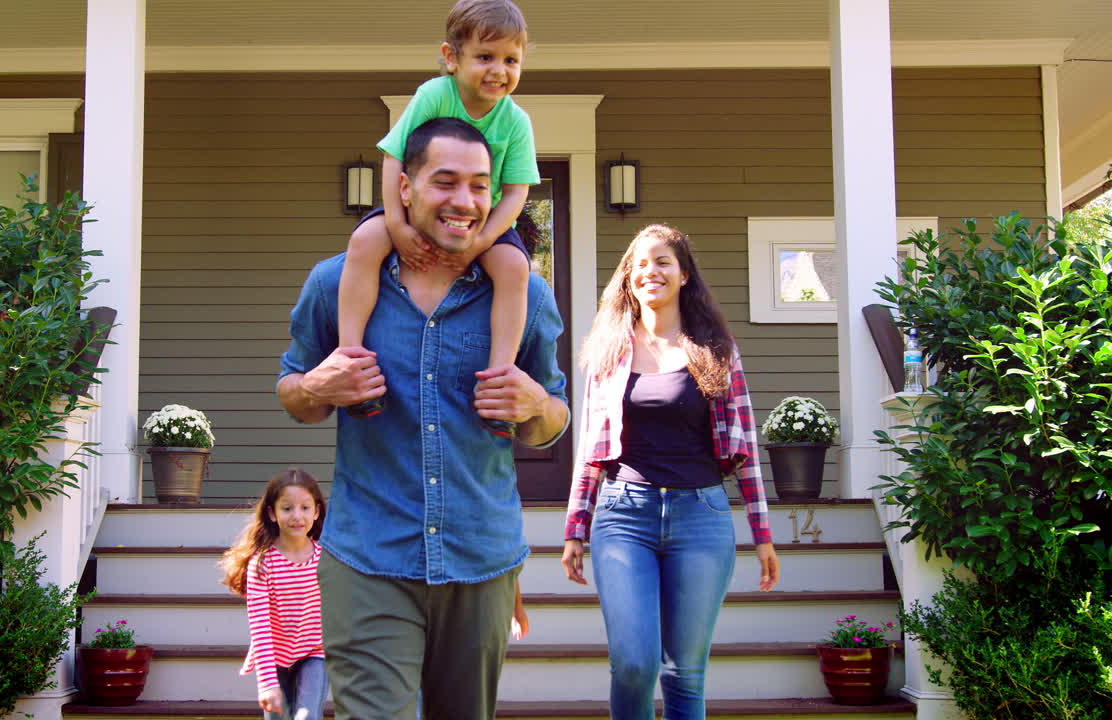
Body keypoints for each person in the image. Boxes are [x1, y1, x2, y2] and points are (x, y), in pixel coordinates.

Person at [277, 116, 568, 720]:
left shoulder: (525, 296)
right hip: (369, 556)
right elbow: (293, 391)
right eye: (445, 181)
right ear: (404, 186)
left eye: (480, 185)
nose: (465, 201)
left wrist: (536, 406)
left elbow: (555, 418)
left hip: (479, 556)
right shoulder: (338, 283)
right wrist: (317, 384)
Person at [559, 224, 781, 720]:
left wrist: (761, 534)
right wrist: (577, 526)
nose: (650, 272)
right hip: (623, 516)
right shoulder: (608, 352)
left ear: (684, 274)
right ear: (628, 279)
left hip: (700, 516)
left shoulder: (716, 351)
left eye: (662, 261)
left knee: (685, 674)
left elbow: (745, 447)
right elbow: (590, 448)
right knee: (634, 664)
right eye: (639, 264)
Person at [336, 0, 538, 440]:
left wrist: (483, 241)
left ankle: (499, 380)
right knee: (364, 243)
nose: (498, 70)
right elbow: (393, 158)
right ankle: (350, 358)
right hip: (414, 212)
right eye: (485, 57)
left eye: (511, 60)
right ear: (452, 58)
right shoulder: (434, 95)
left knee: (515, 267)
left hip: (481, 225)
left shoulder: (516, 121)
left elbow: (517, 192)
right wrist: (397, 224)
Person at [221, 468, 329, 720]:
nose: (297, 516)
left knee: (306, 716)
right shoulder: (262, 564)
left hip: (315, 653)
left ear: (316, 511)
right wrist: (268, 685)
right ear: (272, 513)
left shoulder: (326, 559)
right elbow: (259, 626)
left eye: (305, 507)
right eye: (287, 508)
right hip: (274, 656)